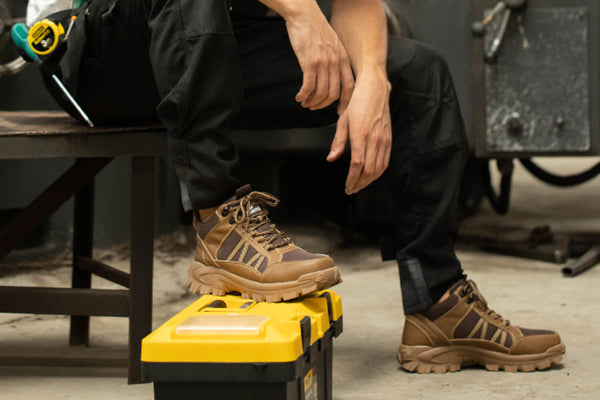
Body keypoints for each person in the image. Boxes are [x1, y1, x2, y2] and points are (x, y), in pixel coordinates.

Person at [33, 0, 564, 373]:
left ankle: (439, 306)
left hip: (211, 40)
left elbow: (357, 4)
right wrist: (302, 10)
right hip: (98, 53)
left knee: (415, 72)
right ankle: (219, 222)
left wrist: (374, 79)